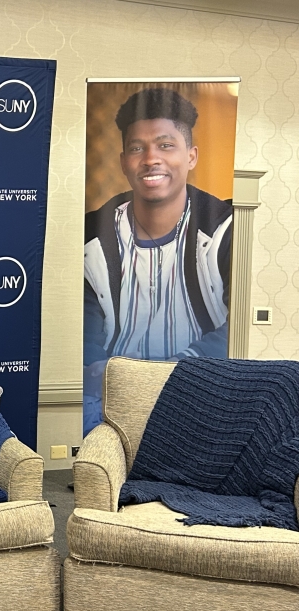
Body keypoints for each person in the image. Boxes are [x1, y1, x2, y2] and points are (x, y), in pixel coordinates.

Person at [83, 87, 232, 433]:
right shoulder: (91, 236)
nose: (151, 159)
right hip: (112, 396)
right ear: (124, 161)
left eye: (166, 145)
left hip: (198, 390)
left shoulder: (226, 231)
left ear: (191, 156)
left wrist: (173, 371)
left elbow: (235, 328)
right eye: (137, 148)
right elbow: (85, 336)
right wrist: (114, 380)